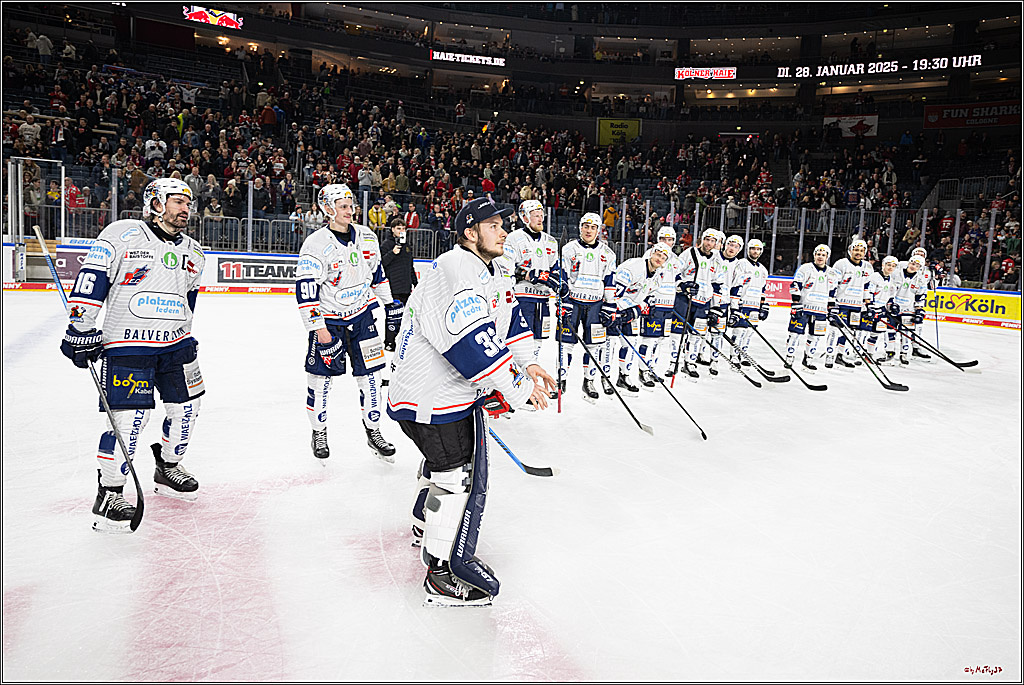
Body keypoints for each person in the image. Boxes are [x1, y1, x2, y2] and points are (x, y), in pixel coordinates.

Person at [387, 196, 556, 606]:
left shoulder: (492, 267)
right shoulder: (456, 267)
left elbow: (510, 321)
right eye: (494, 225)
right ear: (469, 232)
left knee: (443, 464)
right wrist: (517, 389)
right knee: (454, 475)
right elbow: (471, 341)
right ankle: (440, 574)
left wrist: (529, 364)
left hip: (443, 393)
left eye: (503, 224)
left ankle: (421, 523)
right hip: (431, 395)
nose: (504, 231)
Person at [61, 178, 206, 533]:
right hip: (128, 344)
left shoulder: (195, 252)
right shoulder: (122, 233)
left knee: (188, 409)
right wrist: (81, 327)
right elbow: (92, 279)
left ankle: (168, 466)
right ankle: (109, 493)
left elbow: (188, 299)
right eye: (177, 202)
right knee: (129, 420)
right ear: (155, 202)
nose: (185, 209)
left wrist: (186, 332)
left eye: (188, 203)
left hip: (176, 345)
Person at [295, 183, 396, 463]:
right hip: (329, 322)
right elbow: (305, 292)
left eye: (351, 205)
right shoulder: (315, 244)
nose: (349, 211)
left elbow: (377, 273)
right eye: (342, 206)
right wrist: (320, 331)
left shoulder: (367, 236)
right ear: (327, 209)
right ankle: (319, 431)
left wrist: (390, 305)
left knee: (372, 378)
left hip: (362, 318)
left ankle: (373, 430)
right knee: (320, 381)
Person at [557, 212, 617, 402]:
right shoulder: (569, 249)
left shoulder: (608, 254)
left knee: (594, 345)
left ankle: (588, 380)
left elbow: (610, 282)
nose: (589, 230)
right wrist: (563, 300)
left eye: (593, 227)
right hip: (573, 303)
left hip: (596, 306)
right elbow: (562, 277)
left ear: (599, 230)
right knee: (565, 344)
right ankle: (562, 379)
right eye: (586, 226)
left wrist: (610, 305)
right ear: (580, 227)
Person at [501, 199, 567, 371]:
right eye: (535, 216)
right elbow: (507, 270)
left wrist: (561, 283)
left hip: (543, 300)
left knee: (538, 340)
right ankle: (514, 379)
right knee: (518, 339)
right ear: (524, 218)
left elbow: (556, 269)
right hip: (523, 299)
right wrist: (531, 274)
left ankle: (529, 378)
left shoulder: (551, 242)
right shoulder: (513, 239)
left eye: (541, 215)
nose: (540, 219)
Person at [605, 243, 672, 394]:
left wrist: (635, 311)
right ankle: (606, 377)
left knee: (629, 344)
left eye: (663, 257)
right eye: (658, 254)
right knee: (610, 344)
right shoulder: (634, 267)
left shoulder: (658, 276)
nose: (659, 259)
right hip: (614, 309)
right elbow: (614, 290)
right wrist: (614, 310)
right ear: (651, 253)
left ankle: (624, 376)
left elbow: (649, 298)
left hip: (630, 312)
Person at [636, 226, 681, 387]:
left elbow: (677, 279)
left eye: (669, 240)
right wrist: (646, 300)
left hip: (669, 304)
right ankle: (643, 370)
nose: (666, 243)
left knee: (660, 340)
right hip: (655, 302)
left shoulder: (676, 259)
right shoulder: (650, 254)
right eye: (663, 239)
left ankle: (652, 367)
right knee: (649, 339)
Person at [673, 228, 720, 380]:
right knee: (678, 332)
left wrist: (715, 307)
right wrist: (684, 285)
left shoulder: (716, 260)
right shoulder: (688, 253)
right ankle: (673, 361)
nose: (709, 243)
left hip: (703, 302)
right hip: (685, 299)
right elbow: (675, 273)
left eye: (713, 241)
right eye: (707, 239)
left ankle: (690, 362)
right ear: (701, 240)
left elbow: (717, 283)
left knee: (697, 334)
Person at [785, 244, 836, 371]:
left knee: (816, 336)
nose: (820, 257)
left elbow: (832, 292)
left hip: (821, 310)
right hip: (804, 308)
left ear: (827, 257)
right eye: (818, 254)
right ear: (814, 255)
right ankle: (789, 357)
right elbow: (795, 285)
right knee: (794, 334)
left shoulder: (832, 273)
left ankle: (808, 358)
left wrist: (832, 308)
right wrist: (796, 303)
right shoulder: (805, 268)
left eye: (823, 255)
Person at [824, 238, 874, 369]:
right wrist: (831, 304)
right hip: (841, 304)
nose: (858, 253)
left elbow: (867, 287)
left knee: (849, 331)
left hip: (856, 305)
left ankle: (840, 356)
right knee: (835, 330)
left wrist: (868, 305)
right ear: (850, 250)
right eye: (856, 250)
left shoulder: (868, 267)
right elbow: (832, 284)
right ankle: (829, 355)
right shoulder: (841, 264)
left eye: (861, 251)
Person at [380, 217, 418, 352]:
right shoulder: (386, 244)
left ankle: (402, 340)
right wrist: (393, 253)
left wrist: (415, 283)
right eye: (398, 228)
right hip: (393, 287)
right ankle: (389, 341)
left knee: (406, 317)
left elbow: (410, 266)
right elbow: (381, 264)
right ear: (392, 230)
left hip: (405, 287)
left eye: (403, 229)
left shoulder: (407, 246)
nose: (401, 231)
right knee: (393, 316)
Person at [728, 239, 769, 361]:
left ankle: (744, 354)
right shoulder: (741, 264)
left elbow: (763, 289)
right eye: (753, 249)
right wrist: (735, 305)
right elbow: (736, 285)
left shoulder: (763, 270)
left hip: (755, 305)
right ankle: (734, 355)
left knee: (749, 332)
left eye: (758, 249)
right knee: (739, 331)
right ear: (748, 250)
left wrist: (763, 305)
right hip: (743, 303)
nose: (755, 251)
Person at [889, 255, 931, 364]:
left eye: (917, 266)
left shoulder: (921, 280)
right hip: (894, 308)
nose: (913, 267)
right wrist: (890, 303)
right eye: (912, 264)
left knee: (906, 332)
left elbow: (920, 297)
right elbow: (889, 290)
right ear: (909, 263)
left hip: (909, 310)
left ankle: (904, 353)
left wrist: (919, 311)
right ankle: (889, 352)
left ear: (920, 268)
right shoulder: (896, 274)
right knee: (890, 331)